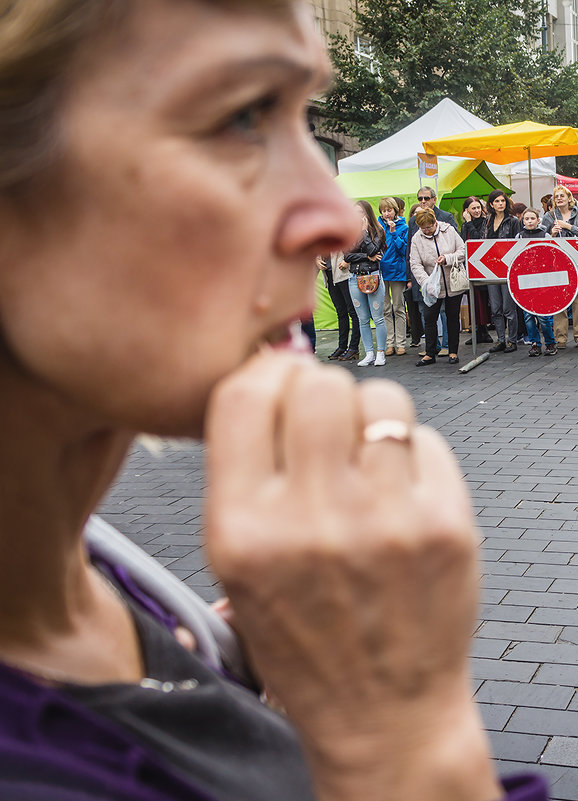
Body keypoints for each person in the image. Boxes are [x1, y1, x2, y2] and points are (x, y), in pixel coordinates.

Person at [0, 4, 549, 801]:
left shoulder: (104, 576)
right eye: (241, 116)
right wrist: (400, 741)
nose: (337, 218)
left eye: (300, 119)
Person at [409, 208, 467, 366]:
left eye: (429, 227)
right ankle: (430, 353)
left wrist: (447, 258)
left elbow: (462, 251)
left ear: (435, 222)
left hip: (452, 282)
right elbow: (415, 263)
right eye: (424, 228)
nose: (427, 230)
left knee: (452, 317)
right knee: (429, 318)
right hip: (431, 285)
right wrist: (426, 282)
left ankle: (453, 351)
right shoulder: (416, 238)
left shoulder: (449, 231)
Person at [542, 184, 578, 350]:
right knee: (558, 299)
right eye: (556, 197)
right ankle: (560, 337)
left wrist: (568, 226)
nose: (559, 199)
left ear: (569, 198)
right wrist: (552, 233)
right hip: (557, 262)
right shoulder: (549, 216)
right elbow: (542, 237)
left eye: (562, 196)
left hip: (577, 260)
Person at [344, 201, 388, 366]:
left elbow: (374, 251)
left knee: (378, 317)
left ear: (367, 213)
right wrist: (366, 257)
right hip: (354, 277)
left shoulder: (378, 231)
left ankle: (380, 352)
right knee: (362, 318)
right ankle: (369, 352)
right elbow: (347, 256)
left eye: (360, 212)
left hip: (373, 276)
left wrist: (363, 232)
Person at [484, 189, 521, 353]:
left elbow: (516, 243)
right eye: (497, 201)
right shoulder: (487, 220)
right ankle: (500, 340)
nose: (500, 204)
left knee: (508, 307)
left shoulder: (512, 221)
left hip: (507, 267)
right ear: (491, 204)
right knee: (495, 307)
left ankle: (512, 340)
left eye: (502, 201)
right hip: (491, 267)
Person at [516, 208, 557, 356]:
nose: (529, 221)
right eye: (526, 219)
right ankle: (535, 343)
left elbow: (551, 256)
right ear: (523, 221)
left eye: (532, 218)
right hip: (525, 281)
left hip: (542, 281)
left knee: (543, 316)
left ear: (538, 220)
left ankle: (550, 342)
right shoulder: (519, 236)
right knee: (528, 315)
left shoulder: (545, 235)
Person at [378, 197, 409, 356]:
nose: (386, 213)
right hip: (381, 271)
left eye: (389, 210)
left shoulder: (403, 227)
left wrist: (394, 233)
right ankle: (389, 343)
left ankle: (401, 343)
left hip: (397, 270)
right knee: (385, 309)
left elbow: (404, 250)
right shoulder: (376, 227)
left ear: (395, 211)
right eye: (383, 210)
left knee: (398, 307)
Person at [460, 196, 493, 346]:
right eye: (473, 208)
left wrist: (468, 223)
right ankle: (477, 330)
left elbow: (477, 240)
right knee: (473, 299)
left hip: (481, 266)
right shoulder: (464, 225)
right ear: (467, 210)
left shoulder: (485, 223)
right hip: (469, 266)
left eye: (478, 207)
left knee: (482, 299)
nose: (477, 211)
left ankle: (484, 330)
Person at [321, 252, 361, 361]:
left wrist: (347, 260)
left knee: (353, 312)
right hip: (329, 274)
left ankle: (353, 347)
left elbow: (353, 247)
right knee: (341, 312)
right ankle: (342, 346)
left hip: (344, 274)